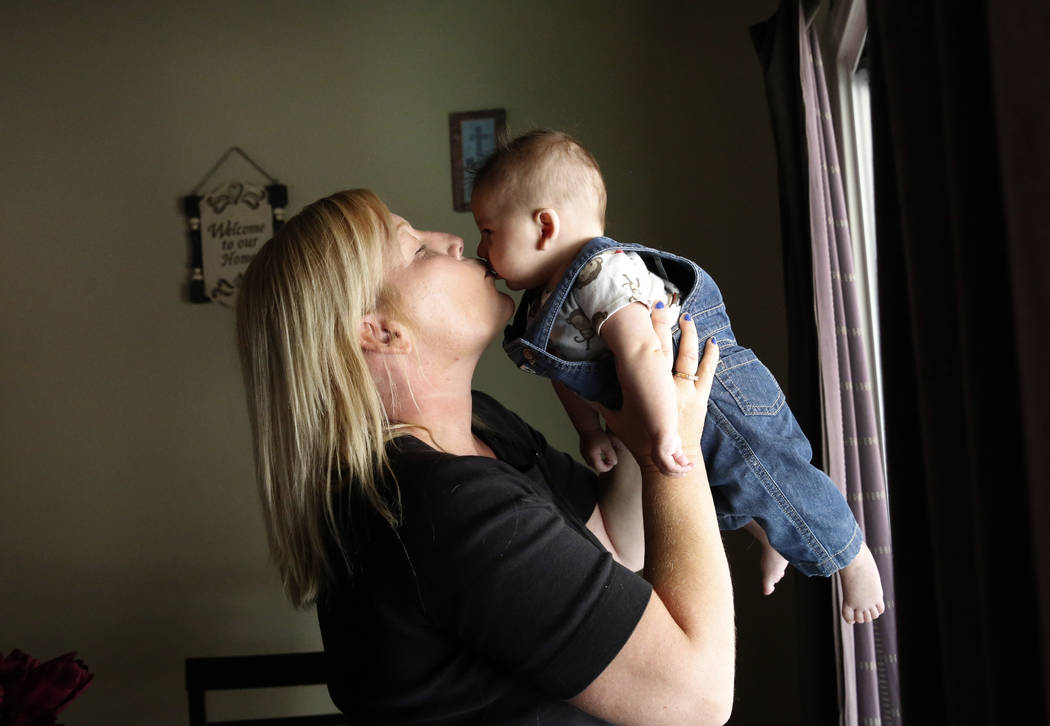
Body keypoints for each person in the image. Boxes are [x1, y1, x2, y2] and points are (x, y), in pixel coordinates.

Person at [235, 188, 735, 725]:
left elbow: (617, 541)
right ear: (380, 331)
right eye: (418, 250)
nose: (455, 242)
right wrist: (676, 448)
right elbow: (697, 700)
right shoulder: (443, 507)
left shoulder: (483, 427)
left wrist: (641, 405)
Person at [470, 129, 884, 624]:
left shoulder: (600, 274)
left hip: (711, 386)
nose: (481, 248)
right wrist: (589, 430)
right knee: (713, 488)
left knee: (761, 467)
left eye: (488, 231)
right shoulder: (543, 305)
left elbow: (642, 349)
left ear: (544, 226)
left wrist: (668, 431)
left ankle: (850, 554)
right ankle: (772, 534)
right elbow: (567, 373)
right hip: (662, 401)